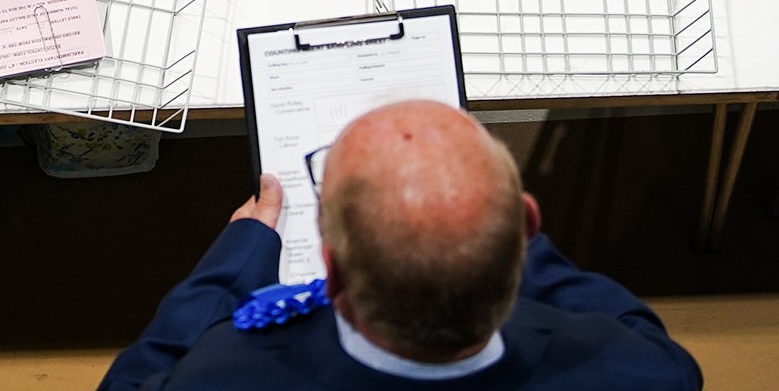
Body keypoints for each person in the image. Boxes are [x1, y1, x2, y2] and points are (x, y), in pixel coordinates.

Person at [101, 101, 700, 390]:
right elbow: (630, 321)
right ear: (526, 226)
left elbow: (136, 379)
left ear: (331, 274)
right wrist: (485, 234)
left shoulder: (227, 373)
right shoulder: (637, 371)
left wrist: (239, 255)